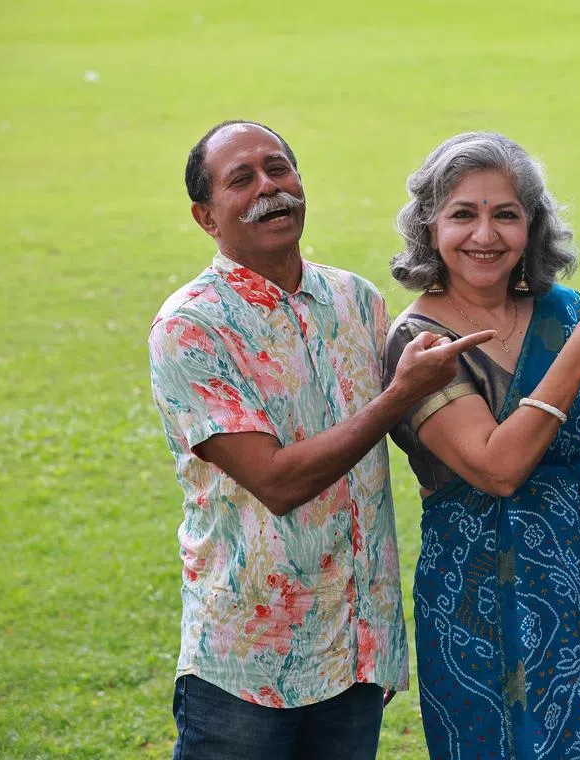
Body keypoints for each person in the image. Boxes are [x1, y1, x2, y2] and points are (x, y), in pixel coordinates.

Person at [148, 119, 493, 760]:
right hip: (249, 666)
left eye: (279, 168)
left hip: (355, 652)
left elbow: (410, 438)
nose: (269, 188)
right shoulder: (190, 328)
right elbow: (278, 481)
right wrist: (401, 395)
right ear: (206, 216)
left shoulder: (355, 300)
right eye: (241, 179)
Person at [382, 132, 580, 759]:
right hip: (486, 609)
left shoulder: (564, 311)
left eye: (506, 215)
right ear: (429, 225)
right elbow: (498, 469)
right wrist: (576, 357)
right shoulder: (420, 346)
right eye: (463, 213)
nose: (485, 235)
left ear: (532, 227)